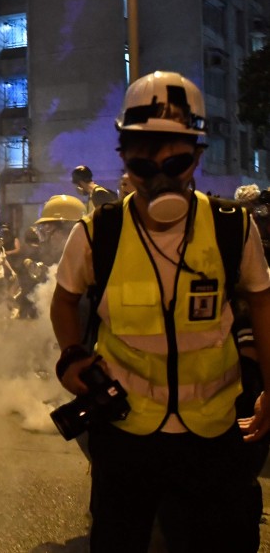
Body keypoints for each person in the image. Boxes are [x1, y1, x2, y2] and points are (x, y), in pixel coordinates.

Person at [49, 71, 270, 552]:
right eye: (143, 159)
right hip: (127, 433)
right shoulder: (96, 233)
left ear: (198, 158)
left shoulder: (234, 228)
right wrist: (71, 354)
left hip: (213, 435)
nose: (160, 174)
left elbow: (262, 300)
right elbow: (65, 299)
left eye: (177, 159)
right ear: (123, 155)